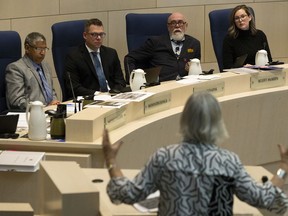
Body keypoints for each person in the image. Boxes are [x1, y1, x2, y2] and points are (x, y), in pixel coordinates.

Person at [102, 91, 288, 215]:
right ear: (218, 122)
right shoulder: (228, 162)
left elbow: (128, 194)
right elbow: (263, 198)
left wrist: (111, 161)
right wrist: (283, 168)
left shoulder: (164, 157)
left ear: (184, 119)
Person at [124, 12, 201, 82]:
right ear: (168, 26)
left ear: (186, 25)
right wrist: (132, 80)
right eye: (173, 23)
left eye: (180, 22)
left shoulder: (194, 44)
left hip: (186, 85)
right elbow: (129, 58)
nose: (177, 26)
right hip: (162, 86)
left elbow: (196, 70)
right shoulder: (155, 42)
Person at [64, 18, 126, 97]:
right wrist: (98, 94)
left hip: (112, 97)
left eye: (101, 34)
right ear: (85, 35)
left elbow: (120, 81)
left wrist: (113, 93)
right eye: (94, 34)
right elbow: (74, 87)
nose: (99, 38)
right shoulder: (73, 57)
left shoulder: (111, 53)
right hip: (90, 99)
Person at [5, 32, 60, 110]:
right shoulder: (15, 68)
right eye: (39, 49)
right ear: (27, 48)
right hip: (32, 115)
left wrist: (55, 101)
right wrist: (42, 107)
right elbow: (16, 101)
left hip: (51, 112)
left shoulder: (46, 66)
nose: (43, 52)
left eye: (44, 48)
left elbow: (52, 92)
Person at [222, 4, 273, 70]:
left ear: (250, 17)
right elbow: (227, 67)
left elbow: (269, 60)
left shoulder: (260, 35)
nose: (240, 20)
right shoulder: (229, 39)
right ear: (234, 22)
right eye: (237, 18)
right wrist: (243, 67)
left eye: (243, 16)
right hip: (239, 76)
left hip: (260, 74)